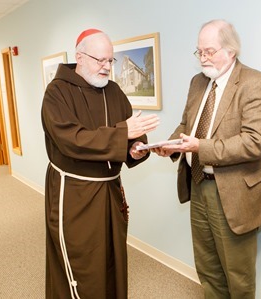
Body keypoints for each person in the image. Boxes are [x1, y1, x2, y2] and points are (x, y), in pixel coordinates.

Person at [153, 19, 261, 299]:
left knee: (238, 277)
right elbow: (187, 125)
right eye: (199, 52)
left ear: (231, 51)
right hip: (198, 186)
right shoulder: (198, 82)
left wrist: (199, 148)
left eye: (209, 51)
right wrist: (170, 145)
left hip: (233, 194)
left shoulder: (256, 83)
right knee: (207, 269)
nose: (203, 58)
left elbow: (254, 142)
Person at [41, 28, 159, 299]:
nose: (107, 67)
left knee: (113, 259)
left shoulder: (115, 91)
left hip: (111, 192)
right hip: (75, 194)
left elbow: (131, 134)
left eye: (110, 61)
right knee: (81, 266)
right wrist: (123, 134)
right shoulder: (56, 93)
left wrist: (136, 149)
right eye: (100, 60)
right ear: (80, 57)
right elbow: (71, 139)